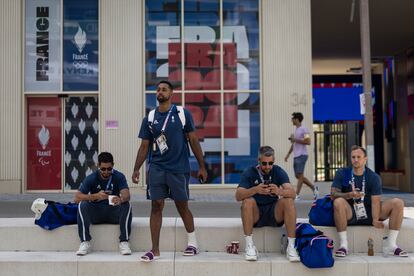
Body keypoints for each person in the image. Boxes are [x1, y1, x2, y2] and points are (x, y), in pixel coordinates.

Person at [132, 80, 207, 262]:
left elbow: (194, 140)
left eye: (164, 89)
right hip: (157, 168)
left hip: (178, 168)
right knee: (156, 205)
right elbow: (144, 146)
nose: (160, 91)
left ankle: (193, 243)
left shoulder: (182, 113)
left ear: (171, 93)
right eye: (158, 89)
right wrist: (136, 169)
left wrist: (202, 166)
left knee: (182, 206)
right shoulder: (149, 118)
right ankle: (155, 250)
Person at [331, 145, 407, 257]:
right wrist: (349, 195)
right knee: (338, 202)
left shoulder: (373, 177)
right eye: (353, 157)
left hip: (371, 212)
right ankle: (343, 245)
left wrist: (375, 220)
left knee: (398, 203)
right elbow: (333, 195)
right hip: (350, 213)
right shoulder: (345, 173)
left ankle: (392, 244)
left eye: (358, 157)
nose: (355, 160)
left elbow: (376, 202)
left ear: (365, 159)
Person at [236, 146, 300, 262]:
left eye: (270, 163)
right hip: (255, 214)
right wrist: (255, 190)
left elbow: (293, 193)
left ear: (273, 161)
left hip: (274, 213)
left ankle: (291, 247)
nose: (267, 167)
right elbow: (238, 195)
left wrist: (279, 191)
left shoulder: (278, 171)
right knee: (247, 201)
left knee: (289, 201)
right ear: (258, 161)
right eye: (264, 163)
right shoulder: (250, 172)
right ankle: (250, 246)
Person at [74, 152, 132, 256]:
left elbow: (127, 195)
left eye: (109, 169)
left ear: (113, 165)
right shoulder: (92, 178)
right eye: (103, 169)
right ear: (98, 166)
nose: (106, 172)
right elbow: (77, 198)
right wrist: (95, 196)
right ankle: (84, 242)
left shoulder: (119, 176)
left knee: (127, 205)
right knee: (82, 205)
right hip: (96, 213)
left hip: (113, 213)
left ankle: (124, 241)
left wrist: (121, 199)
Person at [284, 112, 318, 200]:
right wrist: (288, 154)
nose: (291, 120)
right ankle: (314, 188)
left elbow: (308, 141)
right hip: (296, 155)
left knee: (300, 175)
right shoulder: (296, 130)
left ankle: (296, 195)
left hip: (302, 155)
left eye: (293, 118)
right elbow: (294, 144)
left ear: (297, 119)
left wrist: (295, 139)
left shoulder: (304, 129)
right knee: (299, 176)